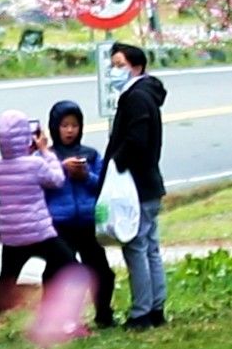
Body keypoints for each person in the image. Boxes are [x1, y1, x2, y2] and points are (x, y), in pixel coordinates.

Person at [0, 109, 67, 324]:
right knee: (69, 265)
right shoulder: (35, 164)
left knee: (5, 281)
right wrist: (46, 151)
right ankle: (60, 319)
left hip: (12, 235)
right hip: (39, 232)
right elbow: (57, 179)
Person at [104, 42, 170, 329]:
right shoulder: (147, 96)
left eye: (120, 65)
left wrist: (115, 163)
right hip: (149, 183)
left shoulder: (136, 99)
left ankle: (142, 312)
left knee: (136, 246)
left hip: (136, 186)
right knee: (150, 246)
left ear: (136, 67)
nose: (114, 71)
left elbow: (136, 140)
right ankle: (156, 306)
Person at [40, 98, 116, 326]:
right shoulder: (47, 156)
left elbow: (104, 184)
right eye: (64, 126)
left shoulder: (90, 154)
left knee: (101, 271)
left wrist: (85, 176)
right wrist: (62, 170)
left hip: (87, 221)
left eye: (74, 125)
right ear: (55, 128)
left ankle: (104, 313)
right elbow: (41, 184)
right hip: (60, 223)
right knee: (59, 271)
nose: (70, 130)